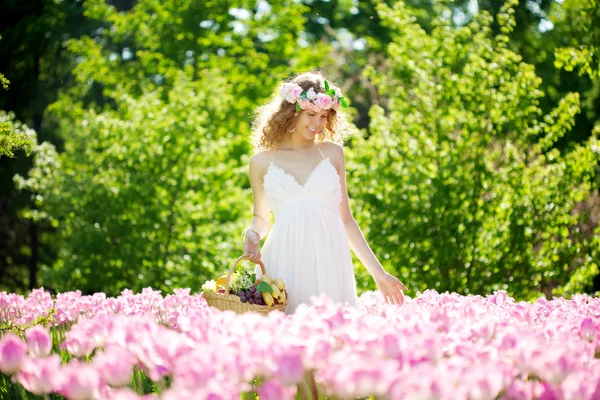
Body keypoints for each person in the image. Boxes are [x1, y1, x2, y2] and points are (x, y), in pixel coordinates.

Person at [242, 70, 408, 315]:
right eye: (311, 114)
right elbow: (261, 219)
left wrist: (379, 273)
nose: (317, 124)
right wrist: (252, 234)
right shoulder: (261, 162)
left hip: (330, 259)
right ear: (291, 111)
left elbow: (346, 221)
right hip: (284, 257)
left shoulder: (332, 154)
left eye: (324, 116)